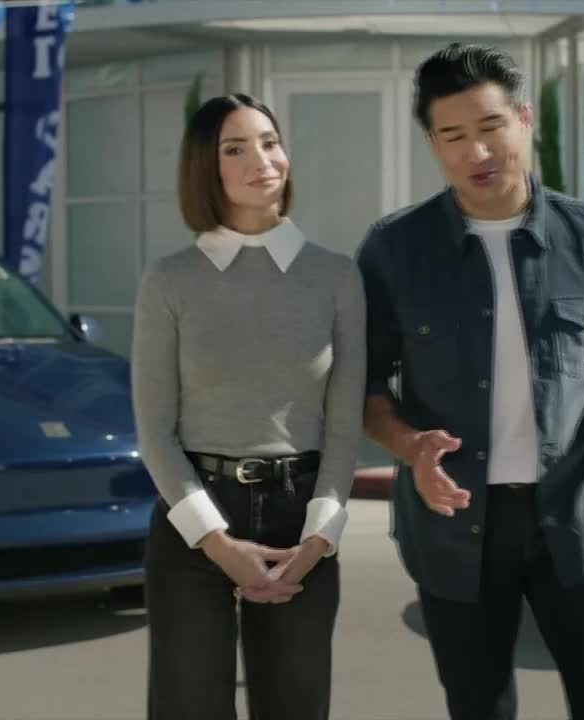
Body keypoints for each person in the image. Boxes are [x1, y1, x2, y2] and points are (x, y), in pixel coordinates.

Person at [356, 43, 584, 720]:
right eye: (454, 137)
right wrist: (409, 449)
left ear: (523, 119)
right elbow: (368, 390)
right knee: (478, 708)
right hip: (455, 526)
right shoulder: (395, 250)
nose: (477, 153)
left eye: (490, 128)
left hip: (578, 515)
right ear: (433, 144)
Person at [131, 93, 366, 720]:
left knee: (296, 705)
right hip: (195, 519)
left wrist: (319, 538)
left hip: (303, 520)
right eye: (235, 148)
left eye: (269, 141)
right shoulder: (169, 280)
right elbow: (154, 429)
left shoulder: (336, 277)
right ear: (206, 168)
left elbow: (344, 426)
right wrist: (215, 540)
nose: (261, 159)